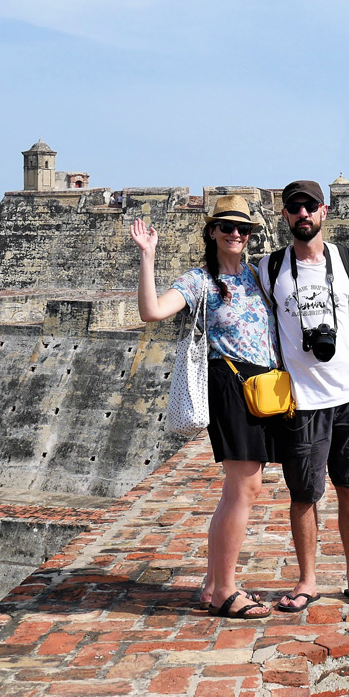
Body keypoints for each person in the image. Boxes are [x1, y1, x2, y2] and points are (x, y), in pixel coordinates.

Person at [131, 195, 276, 620]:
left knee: (237, 490)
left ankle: (215, 584)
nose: (236, 234)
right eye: (227, 227)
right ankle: (227, 590)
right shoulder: (199, 280)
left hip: (262, 386)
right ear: (211, 231)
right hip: (229, 383)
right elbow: (152, 311)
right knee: (246, 489)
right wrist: (147, 257)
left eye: (243, 229)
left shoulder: (255, 276)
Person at [258, 179, 349, 613]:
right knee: (303, 495)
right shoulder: (270, 268)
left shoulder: (348, 261)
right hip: (302, 400)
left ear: (324, 210)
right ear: (285, 215)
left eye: (310, 206)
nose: (303, 214)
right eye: (294, 208)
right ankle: (308, 580)